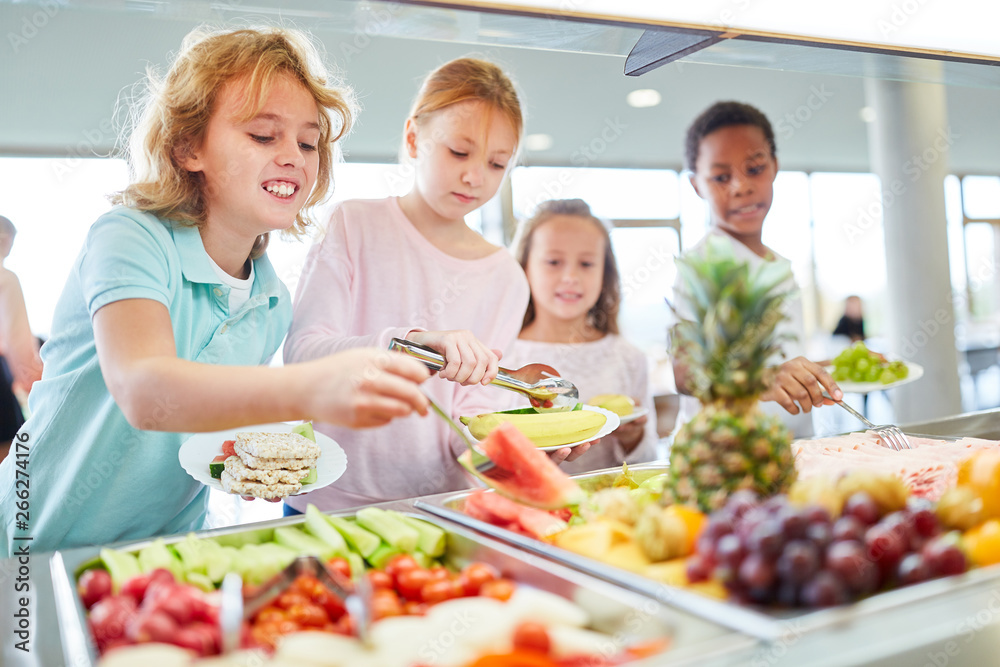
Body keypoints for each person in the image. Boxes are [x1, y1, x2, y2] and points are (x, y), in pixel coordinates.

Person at [0, 27, 432, 557]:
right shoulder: (130, 237)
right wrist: (312, 388)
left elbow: (204, 434)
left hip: (165, 552)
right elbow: (145, 391)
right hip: (32, 542)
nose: (294, 156)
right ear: (188, 148)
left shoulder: (272, 301)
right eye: (263, 135)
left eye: (308, 141)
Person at [283, 58, 590, 513]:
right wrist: (410, 346)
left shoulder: (505, 276)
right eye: (459, 152)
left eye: (497, 163)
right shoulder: (355, 224)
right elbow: (302, 356)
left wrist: (516, 454)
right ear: (413, 138)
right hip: (328, 502)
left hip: (442, 506)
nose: (475, 176)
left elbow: (466, 421)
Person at [671, 101, 842, 439]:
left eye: (754, 169)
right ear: (696, 186)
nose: (740, 187)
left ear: (775, 167)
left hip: (791, 450)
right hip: (724, 456)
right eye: (721, 177)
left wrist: (842, 365)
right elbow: (684, 373)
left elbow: (783, 364)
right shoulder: (702, 266)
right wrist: (764, 378)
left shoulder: (778, 264)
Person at [503, 199, 658, 473]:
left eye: (586, 263)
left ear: (604, 274)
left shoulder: (629, 358)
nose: (571, 276)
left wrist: (633, 438)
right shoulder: (496, 354)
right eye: (553, 261)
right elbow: (475, 460)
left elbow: (648, 461)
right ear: (525, 267)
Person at [0, 216, 43, 463]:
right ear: (5, 240)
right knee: (12, 463)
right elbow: (17, 343)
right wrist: (35, 384)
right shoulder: (6, 278)